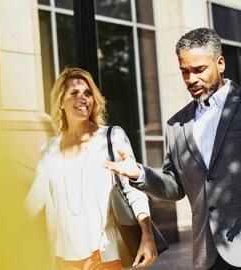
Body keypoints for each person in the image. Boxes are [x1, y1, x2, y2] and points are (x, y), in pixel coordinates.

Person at [106, 28, 241, 270]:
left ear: (220, 63)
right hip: (207, 254)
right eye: (184, 71)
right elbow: (175, 187)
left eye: (199, 70)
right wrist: (140, 174)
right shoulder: (176, 125)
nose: (191, 79)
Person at [25, 67, 157, 270]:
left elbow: (133, 191)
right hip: (64, 260)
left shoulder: (111, 137)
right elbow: (36, 197)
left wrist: (147, 236)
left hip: (104, 255)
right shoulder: (49, 149)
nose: (83, 98)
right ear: (60, 101)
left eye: (88, 93)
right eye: (74, 93)